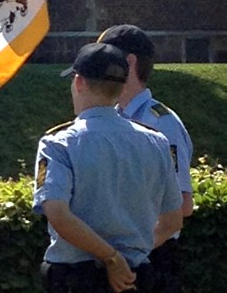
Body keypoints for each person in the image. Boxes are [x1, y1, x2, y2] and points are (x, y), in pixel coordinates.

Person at [33, 42, 183, 293]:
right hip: (134, 277)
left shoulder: (59, 143)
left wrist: (112, 258)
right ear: (122, 86)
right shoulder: (156, 142)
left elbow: (58, 214)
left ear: (79, 82)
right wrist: (128, 256)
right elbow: (172, 221)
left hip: (77, 280)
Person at [97, 24, 194, 292]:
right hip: (115, 257)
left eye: (106, 57)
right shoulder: (109, 119)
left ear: (129, 62)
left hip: (151, 257)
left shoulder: (163, 124)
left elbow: (182, 204)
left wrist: (130, 256)